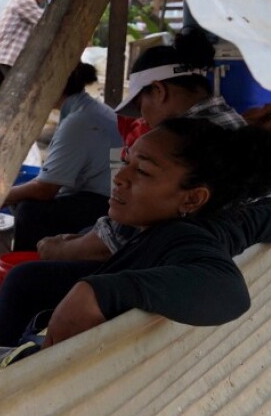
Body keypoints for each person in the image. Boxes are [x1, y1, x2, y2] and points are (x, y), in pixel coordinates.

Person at [0, 118, 271, 348]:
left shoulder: (181, 237)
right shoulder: (229, 223)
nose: (120, 177)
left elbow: (229, 291)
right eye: (127, 162)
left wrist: (99, 293)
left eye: (143, 171)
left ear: (192, 199)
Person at [37, 31, 246, 262]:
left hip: (181, 258)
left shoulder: (187, 138)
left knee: (27, 276)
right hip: (217, 250)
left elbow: (117, 239)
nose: (143, 118)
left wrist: (60, 249)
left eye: (140, 105)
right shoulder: (232, 121)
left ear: (158, 91)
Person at [4, 63, 122, 251]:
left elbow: (45, 189)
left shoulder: (79, 121)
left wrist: (0, 197)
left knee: (29, 211)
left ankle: (24, 267)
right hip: (103, 198)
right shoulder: (91, 110)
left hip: (104, 206)